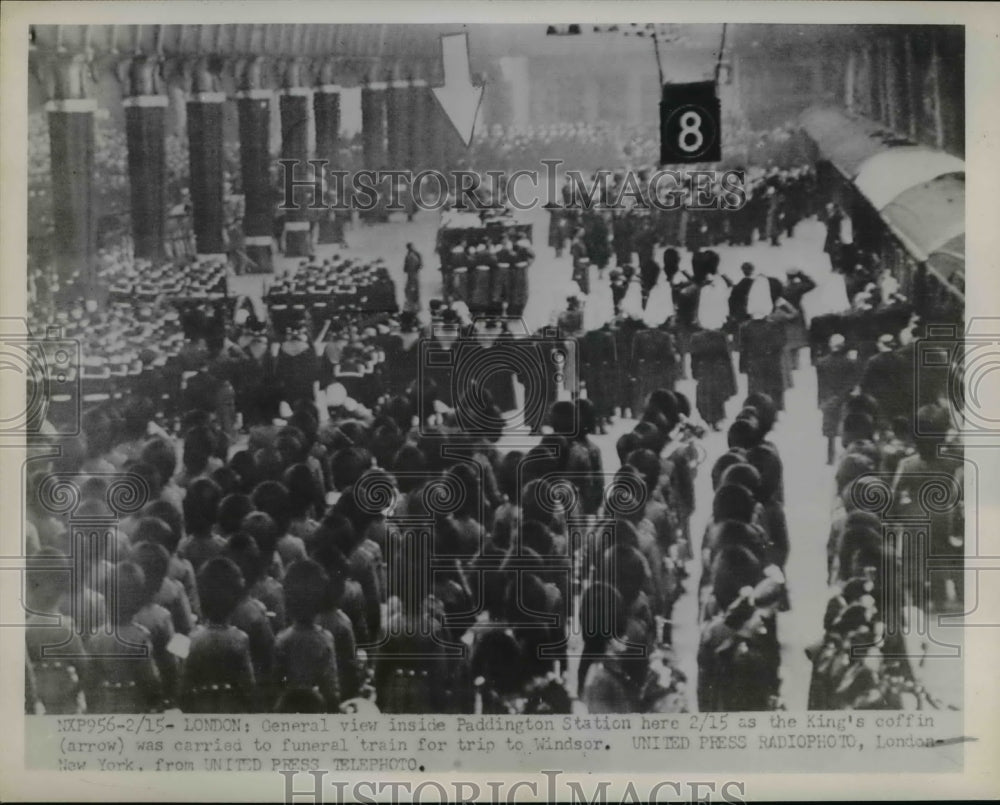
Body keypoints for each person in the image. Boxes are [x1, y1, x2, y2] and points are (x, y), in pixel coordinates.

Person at [816, 334, 860, 464]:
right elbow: (851, 383)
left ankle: (830, 457)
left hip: (829, 399)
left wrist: (820, 401)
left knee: (830, 430)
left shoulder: (822, 363)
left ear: (830, 345)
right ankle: (847, 456)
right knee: (846, 427)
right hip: (844, 398)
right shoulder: (849, 363)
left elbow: (821, 385)